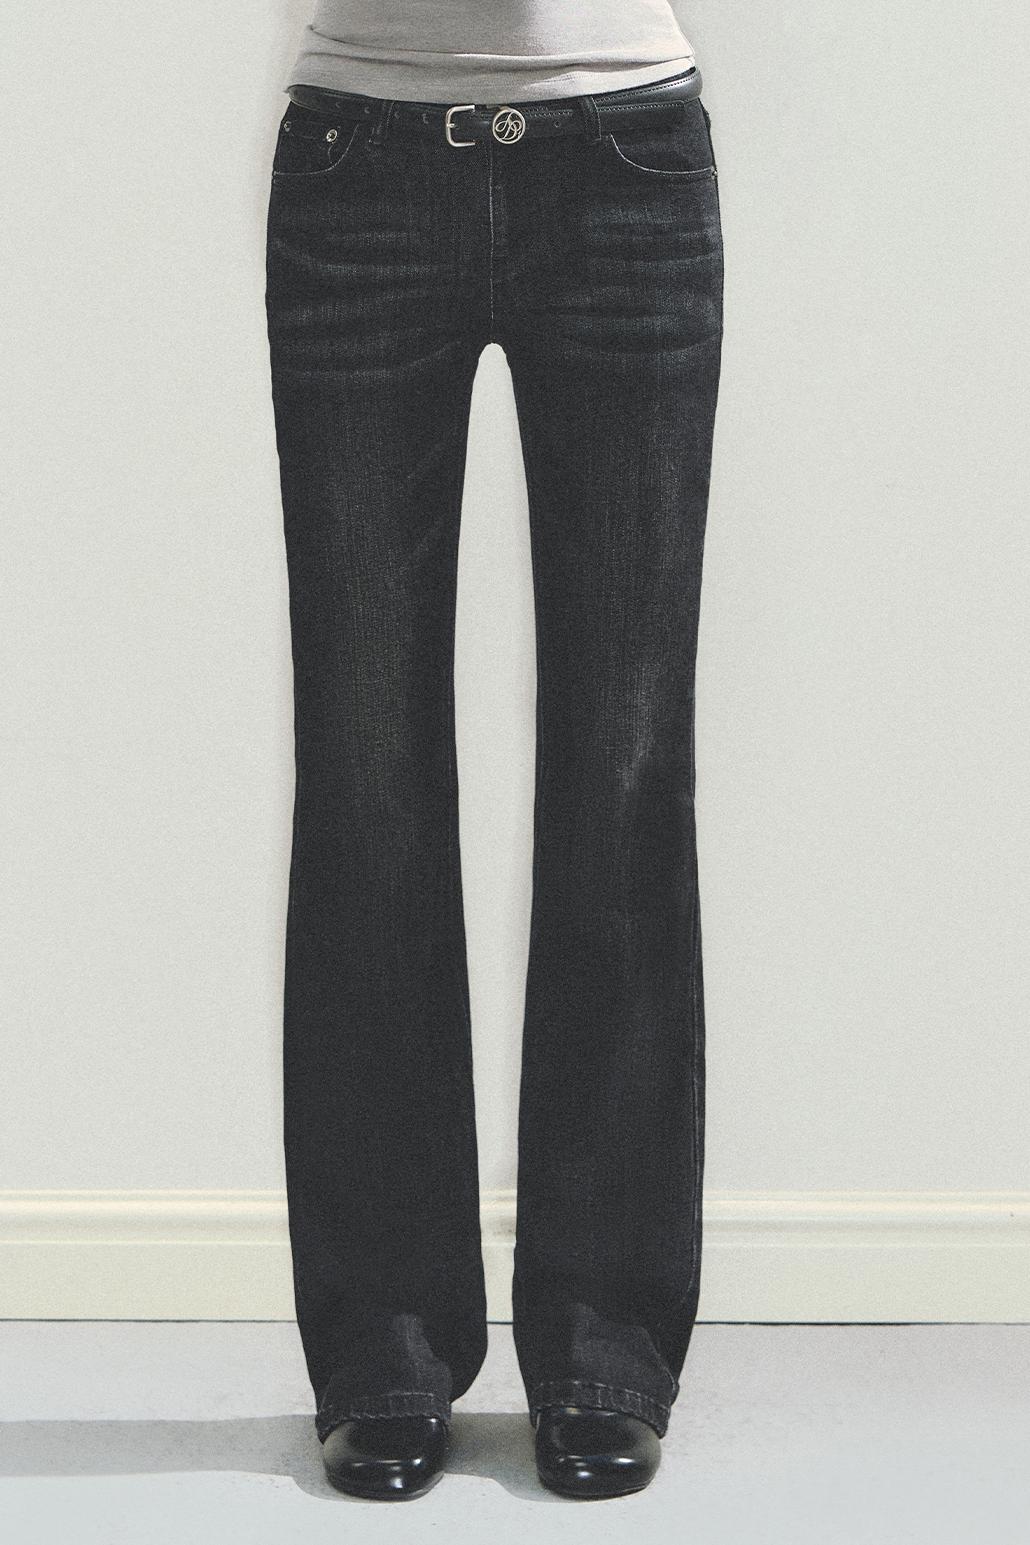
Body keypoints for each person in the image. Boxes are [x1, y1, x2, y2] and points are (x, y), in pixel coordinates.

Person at [264, 0, 724, 1502]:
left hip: (624, 161)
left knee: (623, 765)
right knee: (365, 773)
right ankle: (383, 1350)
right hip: (359, 169)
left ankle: (604, 1349)